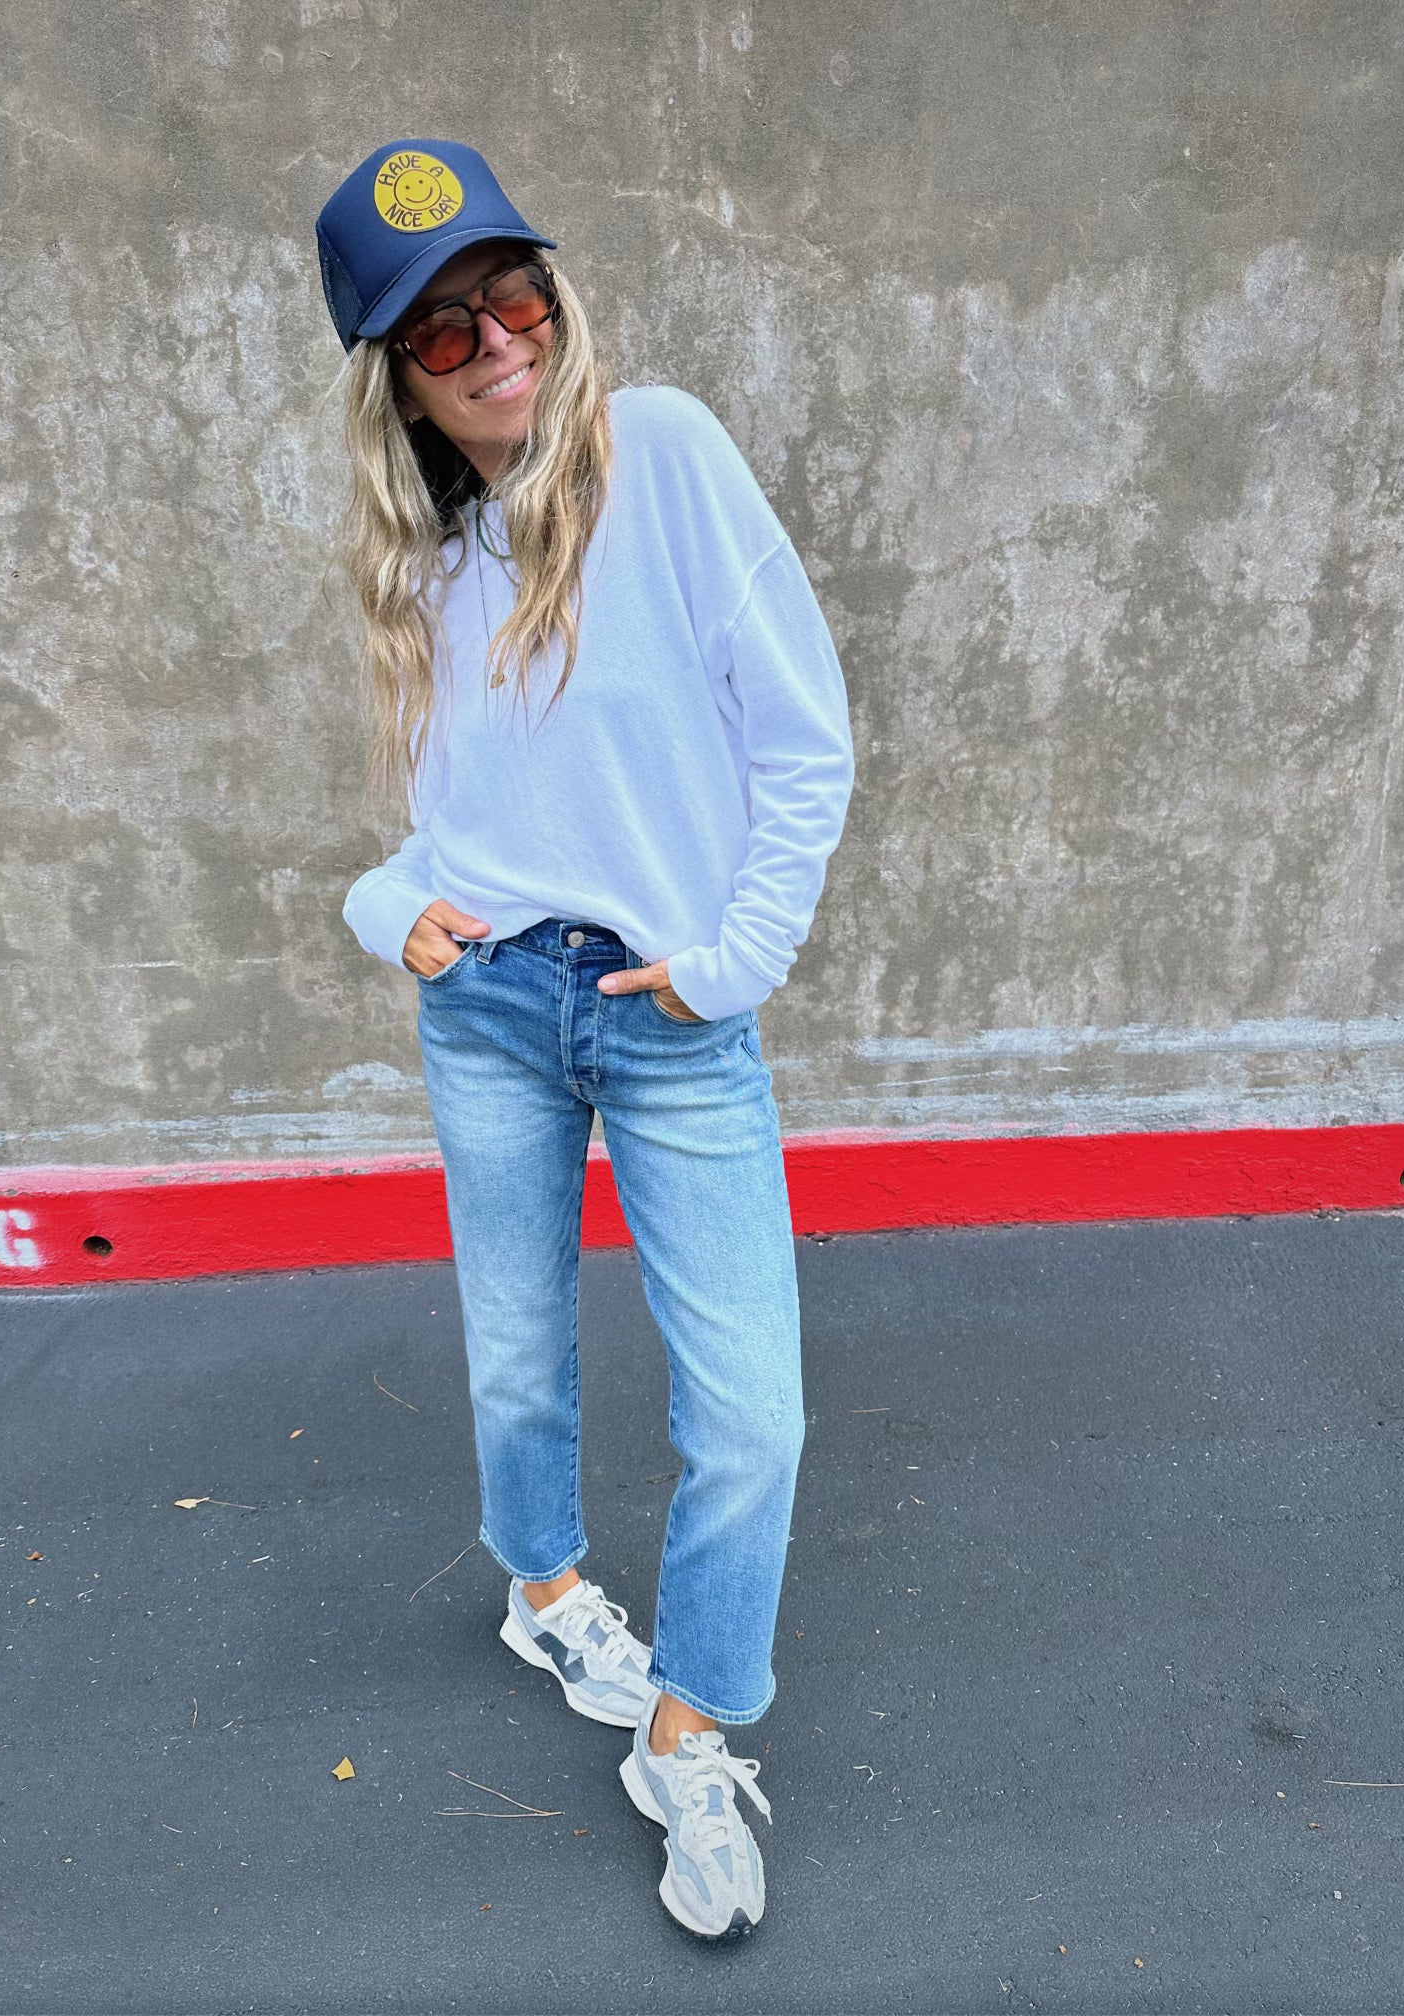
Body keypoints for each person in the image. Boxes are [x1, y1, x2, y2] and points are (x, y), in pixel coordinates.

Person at [315, 138, 855, 1938]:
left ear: (555, 299)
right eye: (440, 330)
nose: (495, 345)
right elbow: (446, 833)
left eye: (514, 298)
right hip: (486, 1005)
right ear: (396, 380)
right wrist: (386, 909)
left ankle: (688, 1730)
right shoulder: (426, 563)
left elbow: (804, 738)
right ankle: (543, 1592)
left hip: (667, 1013)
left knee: (754, 1420)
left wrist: (734, 963)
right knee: (518, 1359)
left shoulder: (667, 455)